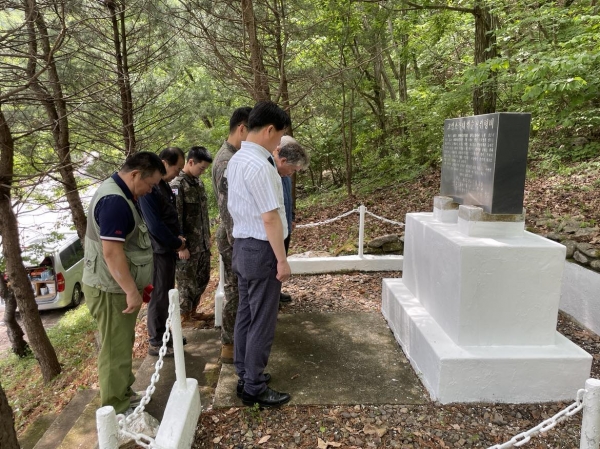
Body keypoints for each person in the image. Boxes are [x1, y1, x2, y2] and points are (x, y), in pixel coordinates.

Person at [227, 101, 306, 407]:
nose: (279, 143)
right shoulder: (260, 165)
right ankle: (254, 387)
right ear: (270, 130)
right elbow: (270, 217)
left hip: (243, 246)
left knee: (246, 313)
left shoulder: (237, 159)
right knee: (262, 319)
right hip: (261, 249)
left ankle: (245, 374)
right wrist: (282, 260)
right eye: (280, 135)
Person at [82, 151, 165, 415]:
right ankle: (115, 408)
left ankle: (124, 392)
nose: (150, 190)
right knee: (114, 349)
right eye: (150, 184)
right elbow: (112, 253)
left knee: (122, 342)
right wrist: (131, 290)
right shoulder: (115, 202)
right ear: (135, 175)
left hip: (116, 286)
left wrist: (138, 284)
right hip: (110, 290)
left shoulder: (122, 193)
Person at [211, 106, 252, 364]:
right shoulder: (227, 160)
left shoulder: (234, 156)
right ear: (242, 128)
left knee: (237, 290)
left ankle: (236, 339)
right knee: (234, 291)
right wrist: (238, 243)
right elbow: (226, 207)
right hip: (232, 237)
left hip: (234, 235)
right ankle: (229, 344)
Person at [138, 147, 187, 357]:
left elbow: (171, 216)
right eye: (177, 168)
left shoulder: (163, 186)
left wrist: (179, 238)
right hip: (157, 251)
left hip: (168, 249)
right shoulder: (149, 190)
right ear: (165, 163)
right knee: (158, 294)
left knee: (167, 293)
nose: (178, 173)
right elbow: (155, 225)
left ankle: (165, 333)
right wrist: (177, 243)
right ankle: (156, 341)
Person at [171, 146, 213, 324]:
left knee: (202, 279)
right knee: (186, 284)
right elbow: (175, 218)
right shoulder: (177, 185)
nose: (202, 172)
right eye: (201, 168)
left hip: (201, 244)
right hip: (187, 247)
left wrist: (206, 238)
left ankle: (193, 311)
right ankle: (184, 317)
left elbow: (203, 214)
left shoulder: (198, 183)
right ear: (190, 162)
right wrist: (181, 247)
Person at [274, 136, 309, 304]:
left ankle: (276, 291)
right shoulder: (272, 173)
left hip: (285, 224)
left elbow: (289, 198)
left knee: (282, 258)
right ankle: (272, 296)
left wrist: (292, 217)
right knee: (275, 262)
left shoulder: (287, 174)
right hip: (274, 228)